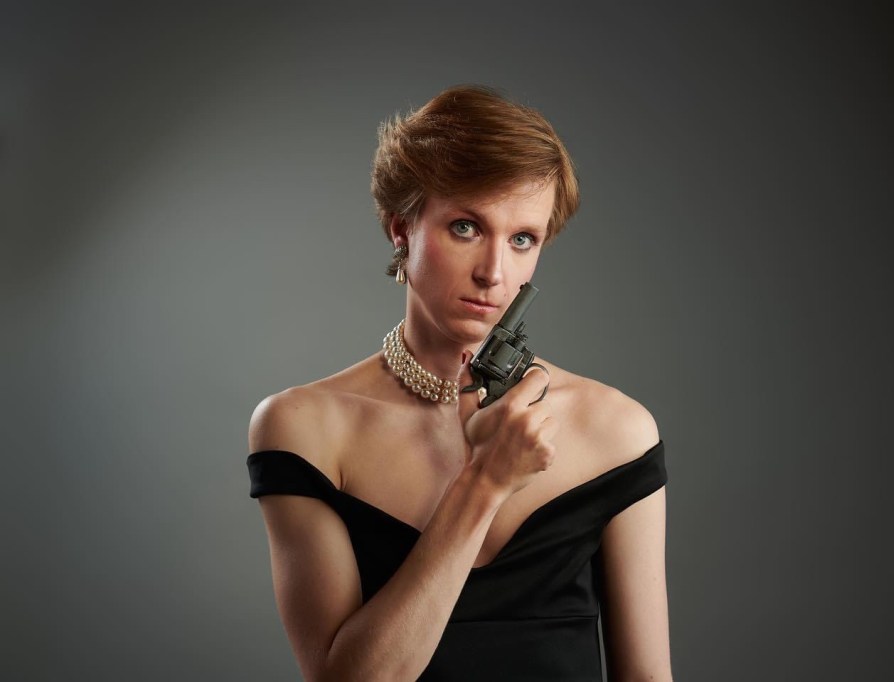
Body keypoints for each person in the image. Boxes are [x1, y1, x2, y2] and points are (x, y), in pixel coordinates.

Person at [247, 85, 672, 681]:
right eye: (467, 227)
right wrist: (484, 483)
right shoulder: (305, 428)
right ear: (402, 229)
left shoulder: (617, 431)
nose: (494, 273)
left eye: (522, 239)